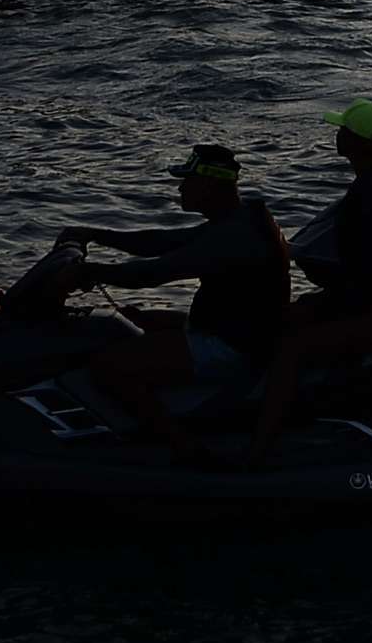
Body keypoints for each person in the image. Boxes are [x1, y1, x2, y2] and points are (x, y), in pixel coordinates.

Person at [54, 145, 296, 431]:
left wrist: (91, 271)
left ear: (210, 184)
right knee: (129, 320)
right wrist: (95, 235)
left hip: (232, 346)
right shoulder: (237, 219)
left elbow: (155, 273)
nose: (180, 188)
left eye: (188, 181)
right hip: (227, 329)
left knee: (108, 366)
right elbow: (163, 242)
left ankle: (178, 445)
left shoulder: (236, 235)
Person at [254, 101, 372, 448]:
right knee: (285, 319)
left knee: (293, 347)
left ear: (357, 141)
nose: (336, 135)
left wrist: (330, 304)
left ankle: (261, 445)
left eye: (342, 130)